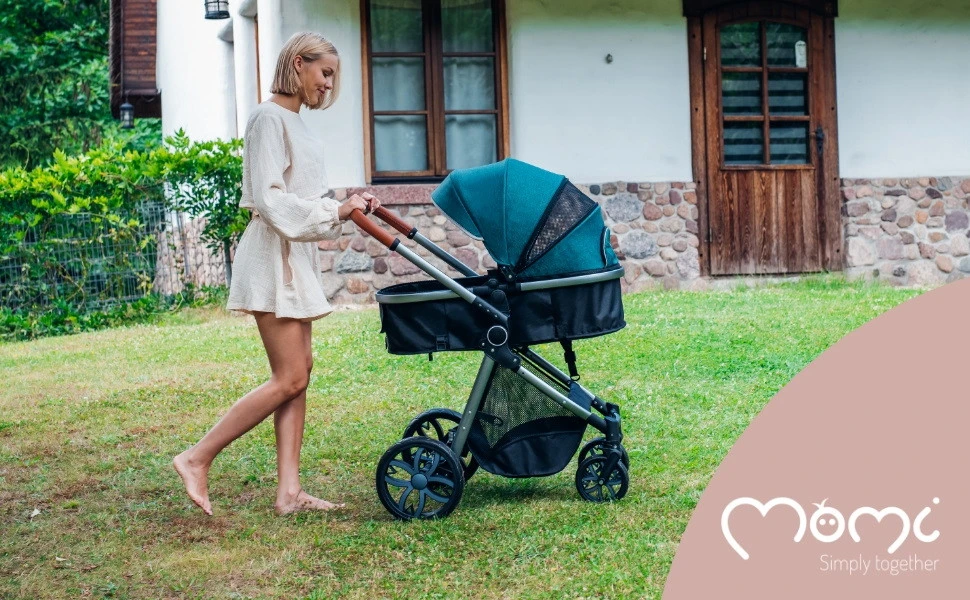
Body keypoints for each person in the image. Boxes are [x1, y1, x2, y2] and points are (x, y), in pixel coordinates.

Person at [173, 32, 379, 516]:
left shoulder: (296, 123)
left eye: (333, 77)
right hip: (272, 254)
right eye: (324, 73)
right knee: (289, 377)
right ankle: (196, 457)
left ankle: (289, 493)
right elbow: (270, 199)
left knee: (299, 373)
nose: (328, 85)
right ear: (298, 63)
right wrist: (334, 211)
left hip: (294, 255)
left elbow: (302, 195)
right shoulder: (267, 118)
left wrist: (345, 206)